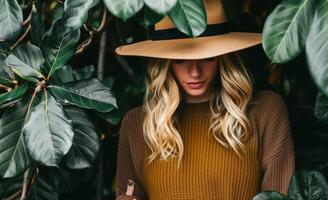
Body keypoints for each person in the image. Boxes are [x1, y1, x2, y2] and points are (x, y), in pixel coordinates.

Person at [114, 0, 294, 199]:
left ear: (224, 57)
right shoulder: (136, 124)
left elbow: (278, 194)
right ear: (164, 63)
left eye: (209, 57)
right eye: (180, 59)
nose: (195, 72)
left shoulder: (265, 110)